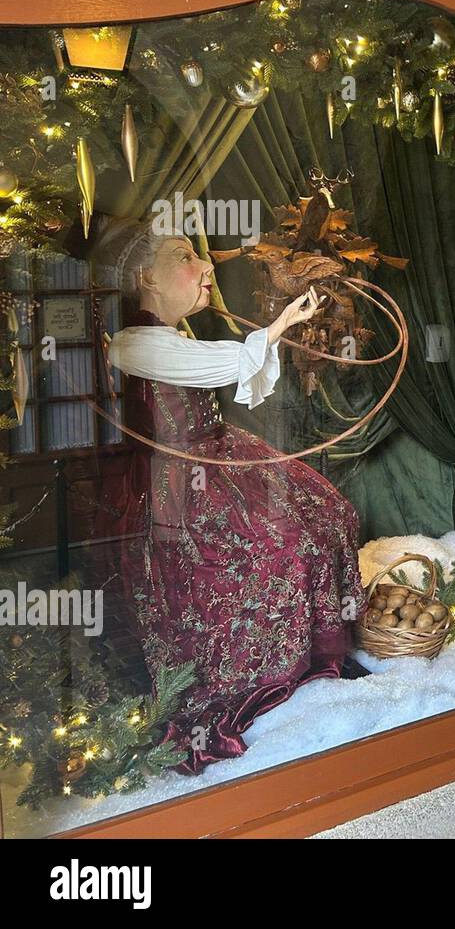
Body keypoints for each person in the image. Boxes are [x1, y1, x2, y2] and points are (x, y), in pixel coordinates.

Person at [92, 220, 362, 774]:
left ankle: (316, 658)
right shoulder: (132, 341)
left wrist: (275, 333)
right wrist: (280, 324)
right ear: (147, 277)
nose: (206, 267)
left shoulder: (173, 333)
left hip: (216, 457)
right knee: (280, 548)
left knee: (329, 514)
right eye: (185, 256)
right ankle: (267, 671)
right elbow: (219, 364)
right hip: (178, 483)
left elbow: (230, 367)